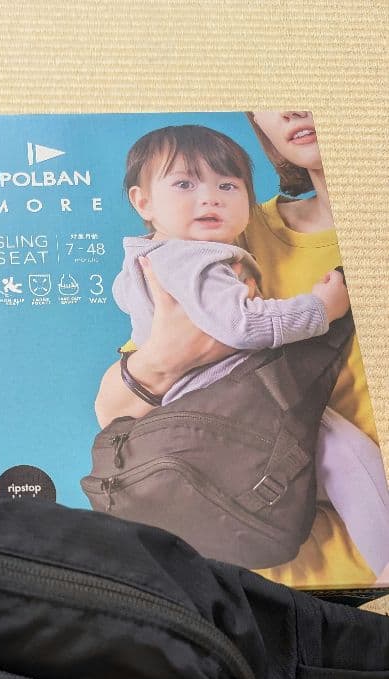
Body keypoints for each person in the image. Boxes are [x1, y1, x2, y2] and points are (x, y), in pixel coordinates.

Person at [94, 111, 388, 587]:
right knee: (345, 451)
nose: (210, 197)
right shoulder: (205, 250)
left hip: (225, 470)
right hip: (244, 423)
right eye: (185, 184)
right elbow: (241, 325)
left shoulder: (156, 254)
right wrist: (321, 308)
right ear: (142, 201)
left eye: (228, 186)